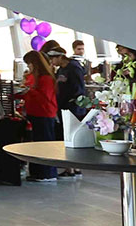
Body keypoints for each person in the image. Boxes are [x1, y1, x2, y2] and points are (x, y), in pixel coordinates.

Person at [19, 50, 58, 183]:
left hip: (45, 113)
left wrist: (29, 90)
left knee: (45, 143)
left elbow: (45, 97)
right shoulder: (34, 77)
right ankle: (37, 171)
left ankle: (48, 173)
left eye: (29, 64)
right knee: (37, 143)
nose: (28, 67)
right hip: (35, 112)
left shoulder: (45, 78)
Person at [48, 46, 86, 178]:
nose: (52, 62)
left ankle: (74, 167)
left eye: (53, 58)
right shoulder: (62, 69)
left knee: (72, 137)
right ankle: (71, 167)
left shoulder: (74, 68)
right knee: (67, 137)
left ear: (60, 57)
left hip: (72, 106)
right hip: (64, 105)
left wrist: (71, 101)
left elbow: (78, 88)